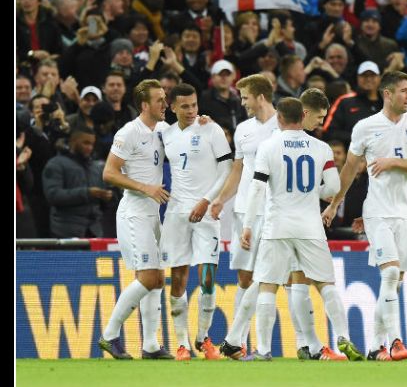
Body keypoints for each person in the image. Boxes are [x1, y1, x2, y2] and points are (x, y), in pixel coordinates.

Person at [221, 98, 363, 361]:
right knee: (325, 284)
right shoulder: (322, 148)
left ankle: (263, 350)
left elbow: (257, 189)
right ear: (302, 116)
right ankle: (344, 336)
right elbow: (332, 188)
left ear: (279, 119)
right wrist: (312, 192)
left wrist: (249, 226)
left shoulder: (268, 146)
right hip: (311, 226)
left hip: (278, 226)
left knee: (267, 286)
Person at [322, 71, 407, 361]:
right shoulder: (365, 127)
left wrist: (393, 162)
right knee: (389, 273)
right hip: (377, 212)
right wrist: (335, 203)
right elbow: (349, 168)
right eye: (403, 91)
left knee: (393, 283)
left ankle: (375, 345)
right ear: (387, 94)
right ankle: (396, 342)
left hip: (405, 213)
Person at [98, 79, 174, 360]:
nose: (164, 105)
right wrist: (146, 188)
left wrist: (200, 123)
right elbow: (109, 172)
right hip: (134, 212)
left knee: (158, 279)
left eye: (165, 99)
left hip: (153, 213)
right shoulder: (129, 132)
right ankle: (109, 334)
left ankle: (151, 345)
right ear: (144, 105)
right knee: (148, 277)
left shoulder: (164, 129)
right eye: (159, 100)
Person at [161, 83, 233, 361]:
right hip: (176, 213)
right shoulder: (164, 134)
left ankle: (203, 339)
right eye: (185, 106)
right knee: (177, 277)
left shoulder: (211, 129)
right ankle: (181, 344)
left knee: (207, 277)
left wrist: (207, 200)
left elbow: (226, 167)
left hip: (205, 213)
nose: (192, 111)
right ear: (173, 107)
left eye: (194, 105)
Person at [209, 75, 279, 354]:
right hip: (243, 211)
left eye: (245, 97)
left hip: (273, 210)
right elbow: (238, 170)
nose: (242, 102)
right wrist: (220, 200)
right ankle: (240, 343)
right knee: (245, 278)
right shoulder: (243, 129)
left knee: (271, 278)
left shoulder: (282, 126)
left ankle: (300, 344)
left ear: (260, 97)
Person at [42, 128, 112, 238]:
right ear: (73, 142)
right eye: (86, 143)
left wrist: (108, 197)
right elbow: (53, 196)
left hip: (94, 231)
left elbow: (104, 202)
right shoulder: (55, 164)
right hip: (65, 232)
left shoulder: (96, 167)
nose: (90, 148)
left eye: (92, 144)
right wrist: (87, 193)